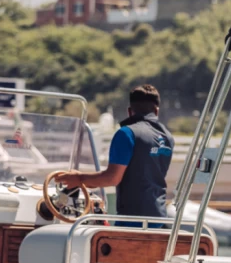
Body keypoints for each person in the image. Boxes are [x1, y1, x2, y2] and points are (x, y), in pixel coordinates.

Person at [54, 85, 174, 224]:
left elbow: (112, 178)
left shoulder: (127, 133)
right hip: (159, 218)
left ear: (129, 111)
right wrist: (84, 182)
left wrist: (78, 178)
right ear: (156, 111)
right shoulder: (167, 137)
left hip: (132, 220)